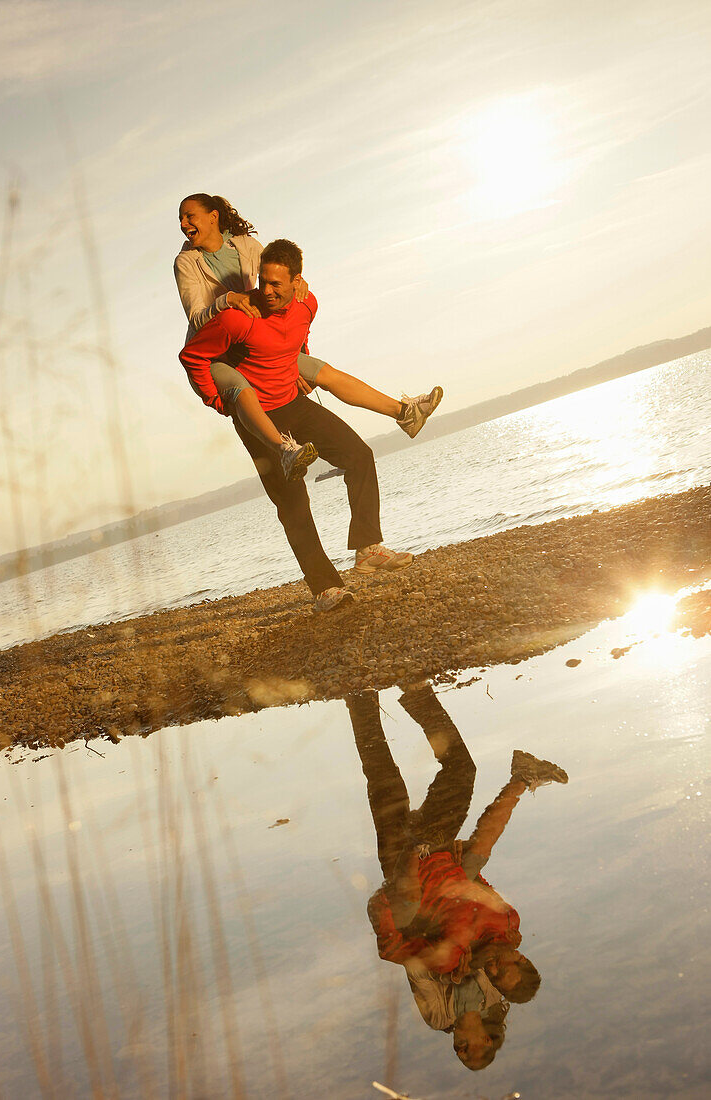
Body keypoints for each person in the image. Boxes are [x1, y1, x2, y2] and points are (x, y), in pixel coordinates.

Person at [179, 238, 415, 611]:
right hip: (259, 420)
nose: (267, 291)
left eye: (276, 284)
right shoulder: (237, 317)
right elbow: (192, 355)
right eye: (262, 282)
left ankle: (368, 548)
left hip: (295, 403)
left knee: (359, 455)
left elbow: (299, 334)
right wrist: (215, 399)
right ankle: (325, 589)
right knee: (293, 503)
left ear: (297, 282)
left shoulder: (308, 304)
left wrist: (300, 361)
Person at [346, 685, 568, 1071]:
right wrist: (456, 859)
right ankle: (417, 692)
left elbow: (415, 961)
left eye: (461, 1051)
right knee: (461, 770)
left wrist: (406, 902)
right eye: (505, 967)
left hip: (407, 880)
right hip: (440, 856)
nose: (494, 969)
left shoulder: (443, 1006)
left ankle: (360, 697)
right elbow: (477, 888)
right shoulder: (505, 937)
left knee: (384, 779)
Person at [175, 194, 443, 479]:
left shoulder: (245, 245)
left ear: (213, 217)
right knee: (242, 389)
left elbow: (282, 273)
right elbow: (196, 317)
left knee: (324, 372)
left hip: (257, 340)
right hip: (220, 352)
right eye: (181, 218)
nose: (183, 223)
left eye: (189, 215)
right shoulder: (186, 262)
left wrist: (300, 288)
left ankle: (404, 413)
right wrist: (229, 299)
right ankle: (285, 451)